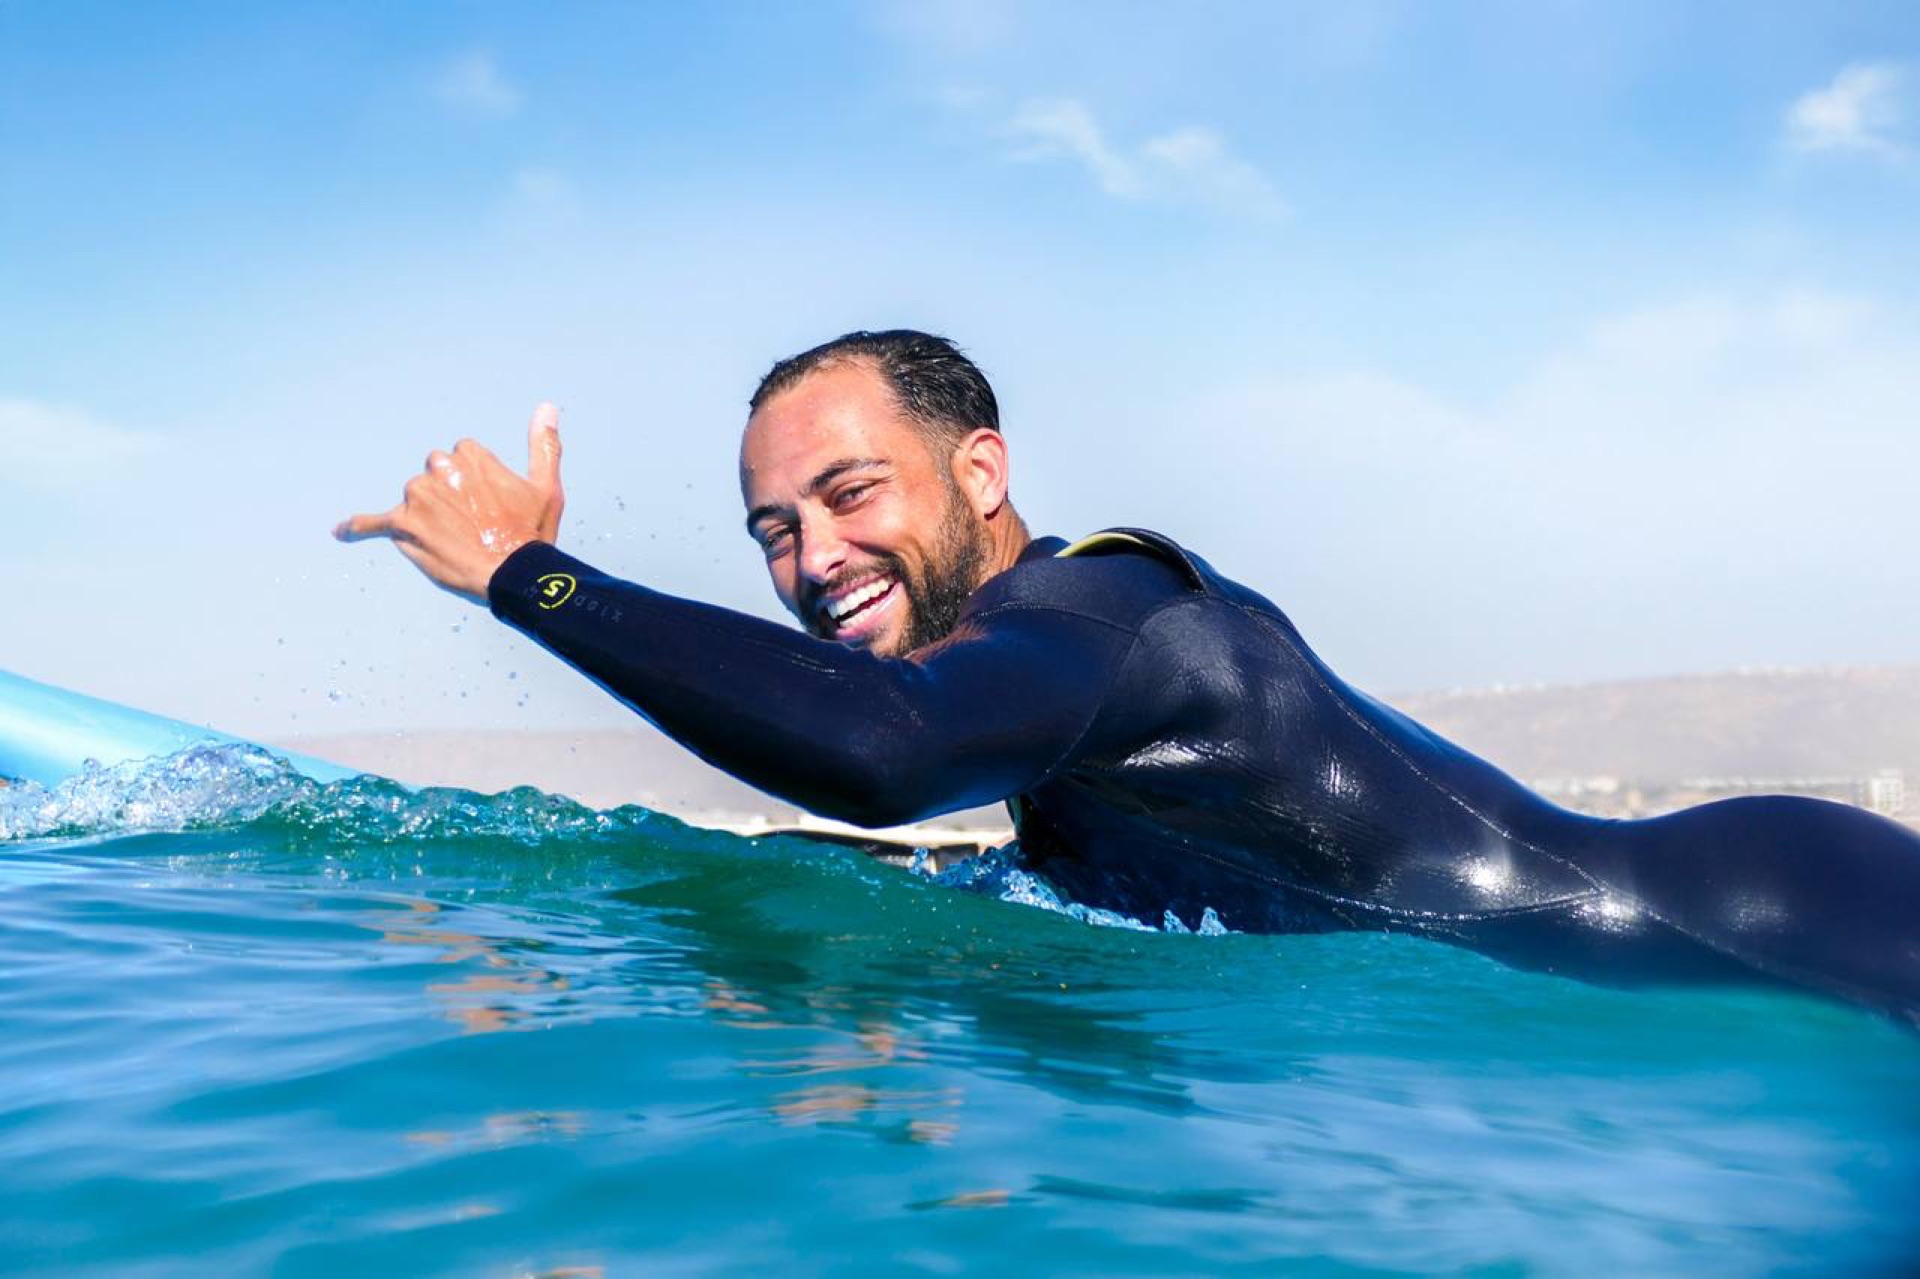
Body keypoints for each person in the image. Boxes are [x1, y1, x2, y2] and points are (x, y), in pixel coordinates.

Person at [338, 330, 1920, 1022]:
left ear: (980, 469)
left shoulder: (1103, 612)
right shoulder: (1031, 713)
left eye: (850, 494)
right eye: (770, 528)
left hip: (1765, 913)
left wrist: (529, 579)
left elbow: (883, 754)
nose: (811, 557)